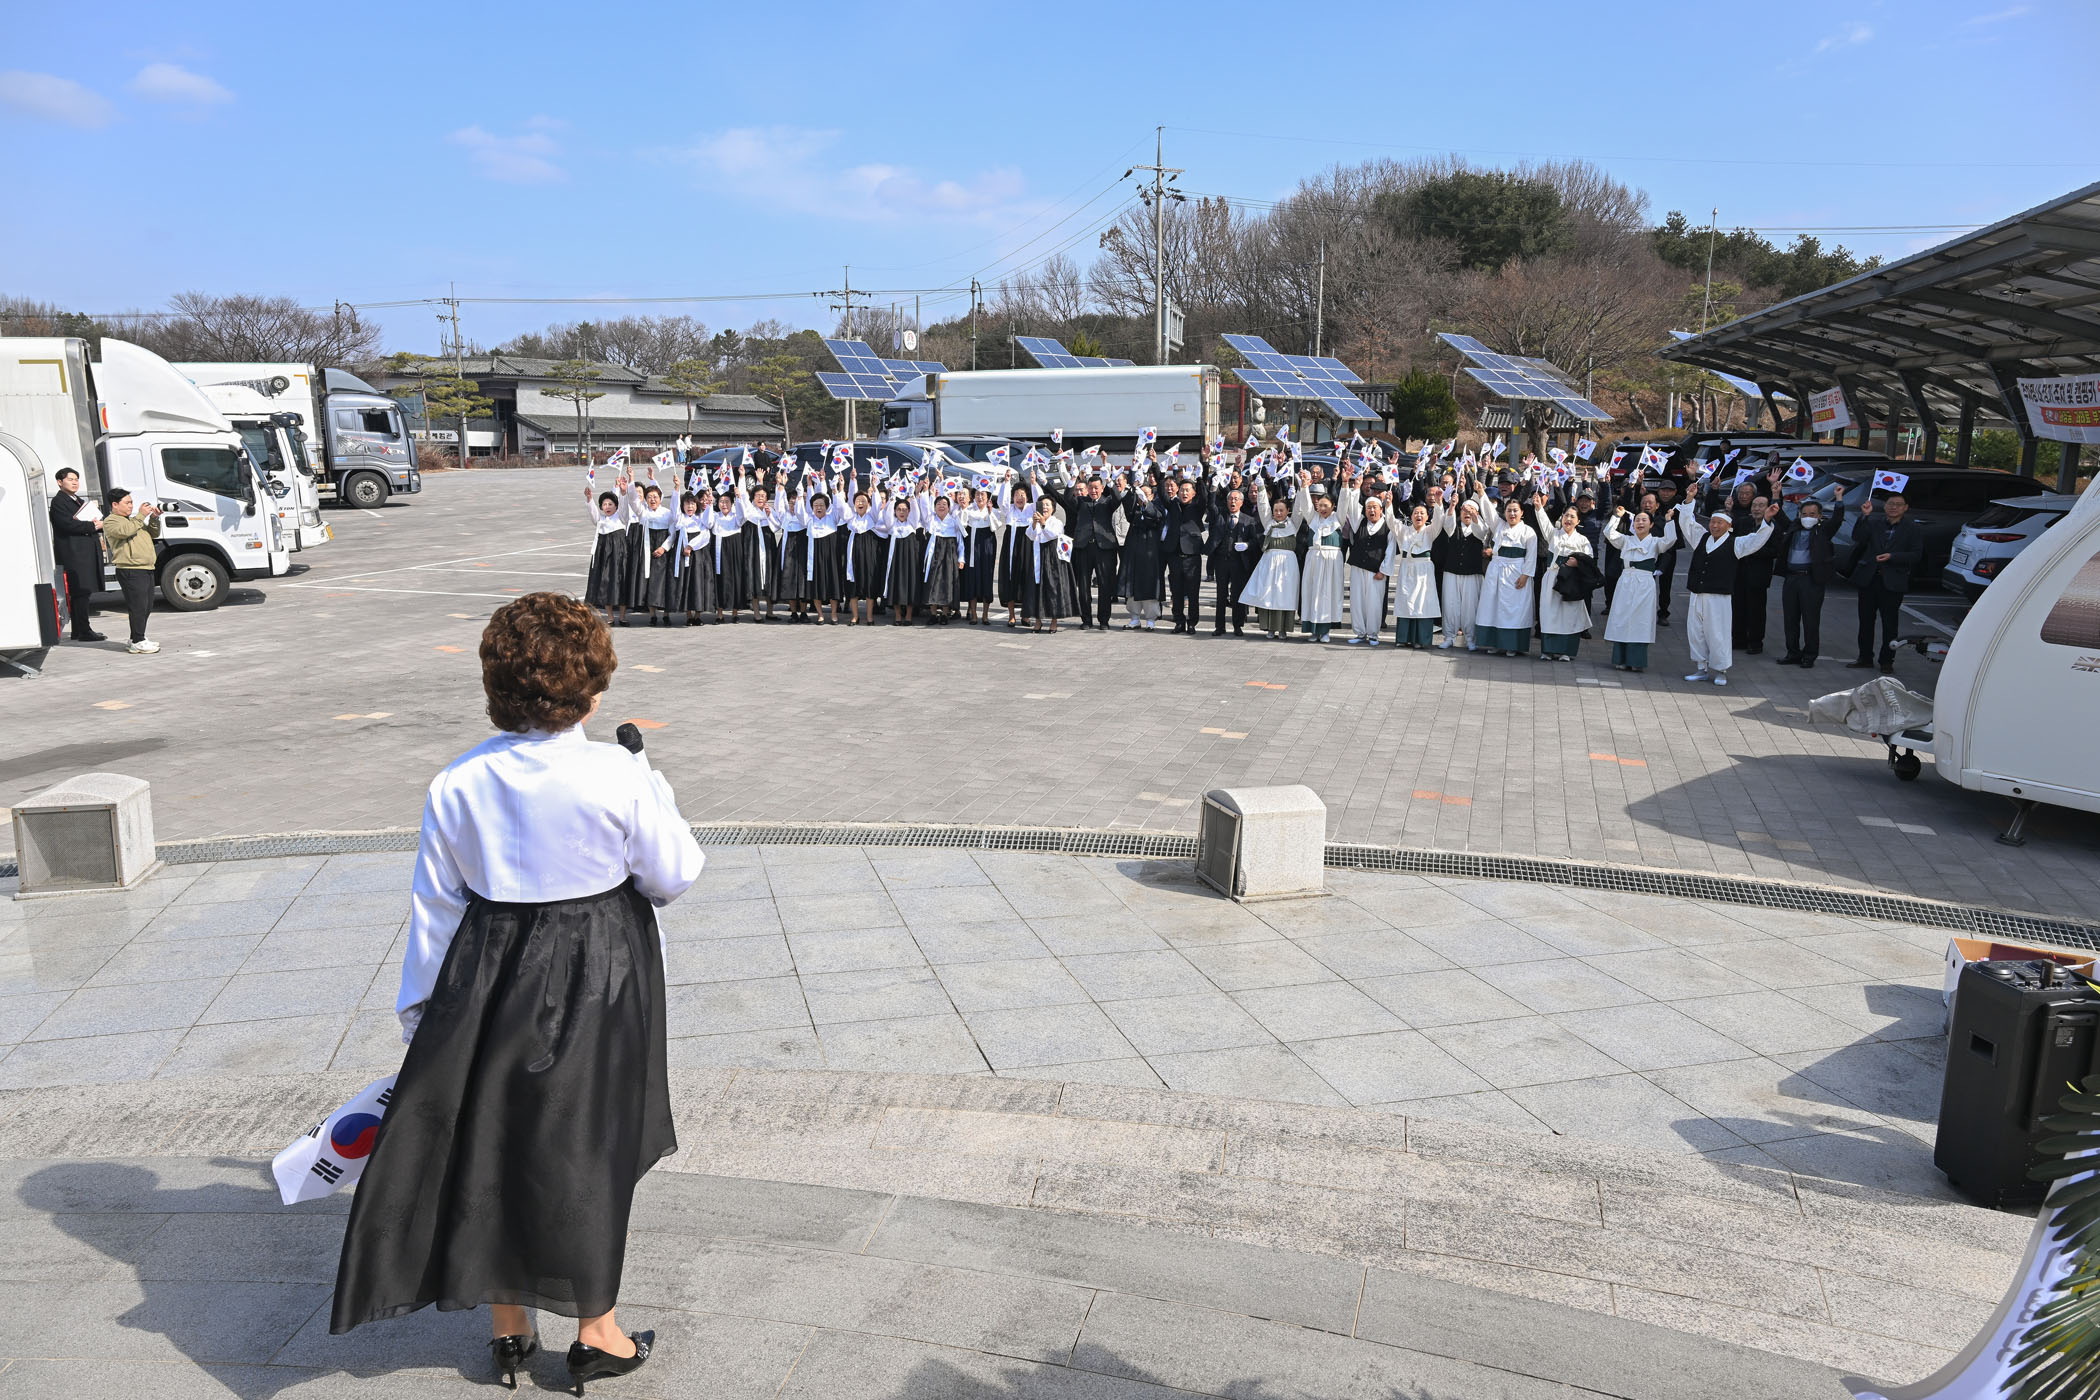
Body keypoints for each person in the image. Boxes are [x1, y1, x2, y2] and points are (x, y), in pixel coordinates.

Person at [329, 592, 703, 1393]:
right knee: (587, 1141)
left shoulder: (457, 780)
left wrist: (422, 1014)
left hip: (489, 962)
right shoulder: (617, 772)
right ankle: (596, 1331)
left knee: (494, 1134)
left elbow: (436, 903)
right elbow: (673, 874)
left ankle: (508, 1326)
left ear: (495, 687)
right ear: (591, 690)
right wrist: (655, 786)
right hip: (600, 965)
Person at [1675, 492, 1778, 686]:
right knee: (1696, 632)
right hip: (1697, 594)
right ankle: (1701, 668)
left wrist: (1766, 520)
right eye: (1712, 522)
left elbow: (1757, 540)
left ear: (1729, 526)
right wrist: (1689, 500)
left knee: (1717, 634)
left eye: (1719, 523)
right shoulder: (1701, 538)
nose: (1714, 526)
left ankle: (1721, 670)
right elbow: (1687, 523)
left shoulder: (1736, 544)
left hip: (1718, 597)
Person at [1846, 491, 1924, 675]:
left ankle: (1887, 660)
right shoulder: (1875, 523)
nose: (1893, 507)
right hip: (1869, 579)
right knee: (1865, 621)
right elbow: (1858, 537)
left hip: (1893, 581)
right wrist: (1864, 516)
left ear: (1905, 508)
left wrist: (1893, 556)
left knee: (1890, 624)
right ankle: (1865, 657)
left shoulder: (1912, 528)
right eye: (1890, 504)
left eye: (1898, 504)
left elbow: (1916, 555)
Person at [1773, 496, 1845, 668]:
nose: (1807, 517)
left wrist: (1839, 500)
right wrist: (1776, 496)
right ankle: (1792, 652)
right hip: (1792, 578)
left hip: (1811, 580)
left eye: (1812, 514)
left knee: (1810, 619)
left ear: (1819, 516)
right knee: (1790, 619)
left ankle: (1809, 655)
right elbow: (1779, 515)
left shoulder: (1824, 530)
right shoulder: (1794, 527)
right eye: (1804, 514)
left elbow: (1837, 520)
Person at [1602, 505, 1677, 672]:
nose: (1640, 523)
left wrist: (1669, 521)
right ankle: (1620, 658)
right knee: (1622, 617)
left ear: (1651, 524)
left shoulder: (1655, 542)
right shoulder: (1626, 540)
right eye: (1637, 520)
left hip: (1644, 584)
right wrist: (1617, 516)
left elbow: (1670, 540)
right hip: (1626, 581)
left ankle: (1636, 660)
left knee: (1640, 621)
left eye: (1644, 520)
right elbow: (1609, 533)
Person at [1047, 473, 1122, 629]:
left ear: (1102, 488)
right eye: (1091, 488)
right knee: (1083, 585)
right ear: (1087, 488)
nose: (1093, 491)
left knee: (1105, 585)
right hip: (1083, 547)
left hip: (1104, 549)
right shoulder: (1081, 502)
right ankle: (1086, 619)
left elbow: (1117, 498)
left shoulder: (1108, 502)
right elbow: (1068, 498)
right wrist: (1072, 480)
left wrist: (1110, 480)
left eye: (1096, 488)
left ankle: (1104, 620)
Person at [1529, 497, 1596, 662]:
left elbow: (1589, 560)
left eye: (1573, 516)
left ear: (1578, 521)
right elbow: (1544, 522)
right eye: (1566, 515)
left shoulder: (1582, 540)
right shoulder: (1554, 534)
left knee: (1569, 615)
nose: (1568, 519)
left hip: (1572, 581)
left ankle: (1566, 651)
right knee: (1549, 613)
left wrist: (1577, 563)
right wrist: (1538, 508)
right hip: (1553, 577)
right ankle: (1548, 650)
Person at [99, 488, 162, 655]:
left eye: (131, 502)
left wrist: (154, 518)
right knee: (138, 607)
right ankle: (137, 641)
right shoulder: (111, 521)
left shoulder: (134, 521)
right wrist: (141, 515)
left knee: (146, 606)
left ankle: (137, 637)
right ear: (115, 504)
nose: (131, 506)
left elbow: (154, 533)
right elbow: (125, 531)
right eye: (127, 503)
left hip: (146, 568)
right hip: (131, 570)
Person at [1474, 497, 1539, 656]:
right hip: (1496, 571)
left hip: (1516, 573)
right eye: (1509, 510)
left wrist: (1525, 575)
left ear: (1522, 512)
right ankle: (1493, 642)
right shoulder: (1499, 526)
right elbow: (1489, 513)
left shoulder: (1528, 532)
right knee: (1493, 608)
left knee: (1514, 610)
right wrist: (1481, 493)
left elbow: (1531, 557)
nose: (1512, 514)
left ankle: (1512, 645)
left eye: (1515, 510)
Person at [48, 466, 106, 642]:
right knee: (80, 591)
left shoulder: (78, 500)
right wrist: (92, 526)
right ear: (60, 482)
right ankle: (84, 631)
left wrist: (97, 523)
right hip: (74, 553)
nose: (74, 483)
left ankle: (78, 630)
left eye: (76, 479)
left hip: (83, 552)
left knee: (82, 592)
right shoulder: (59, 502)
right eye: (70, 479)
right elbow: (66, 524)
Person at [1240, 492, 1303, 640]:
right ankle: (1270, 628)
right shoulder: (1269, 523)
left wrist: (1302, 490)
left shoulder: (1293, 524)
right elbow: (1263, 507)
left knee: (1285, 595)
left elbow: (1300, 509)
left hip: (1287, 565)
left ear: (1288, 511)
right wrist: (1261, 488)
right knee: (1268, 594)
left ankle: (1283, 629)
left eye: (1282, 510)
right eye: (1276, 510)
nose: (1278, 513)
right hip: (1269, 563)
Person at [1435, 493, 1491, 650]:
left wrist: (1474, 516)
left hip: (1472, 573)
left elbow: (1481, 532)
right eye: (1465, 510)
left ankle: (1470, 638)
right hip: (1451, 572)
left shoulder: (1480, 528)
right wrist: (1452, 506)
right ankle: (1449, 636)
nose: (1467, 513)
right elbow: (1448, 523)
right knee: (1450, 605)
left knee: (1470, 607)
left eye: (1471, 510)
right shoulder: (1454, 527)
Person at [1295, 478, 1348, 642]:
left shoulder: (1337, 519)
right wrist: (1304, 487)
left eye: (1326, 505)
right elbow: (1305, 505)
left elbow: (1344, 503)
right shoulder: (1313, 519)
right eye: (1320, 505)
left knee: (1329, 594)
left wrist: (1345, 484)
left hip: (1332, 562)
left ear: (1333, 506)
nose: (1323, 509)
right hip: (1314, 560)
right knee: (1312, 593)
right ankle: (1313, 630)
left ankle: (1325, 631)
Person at [1207, 484, 1262, 637]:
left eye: (1236, 499)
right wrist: (1213, 488)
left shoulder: (1249, 520)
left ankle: (1238, 625)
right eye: (1230, 499)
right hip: (1222, 561)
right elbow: (1211, 506)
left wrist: (1247, 545)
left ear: (1241, 502)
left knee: (1237, 595)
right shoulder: (1220, 516)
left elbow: (1255, 540)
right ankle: (1219, 626)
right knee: (1221, 594)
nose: (1233, 502)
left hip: (1239, 562)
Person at [1384, 503, 1441, 648]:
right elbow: (1391, 521)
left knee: (1423, 604)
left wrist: (1439, 504)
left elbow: (1439, 520)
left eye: (1422, 513)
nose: (1419, 515)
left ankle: (1421, 640)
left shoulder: (1430, 531)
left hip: (1424, 571)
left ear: (1427, 517)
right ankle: (1404, 638)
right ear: (1411, 516)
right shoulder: (1404, 530)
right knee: (1406, 602)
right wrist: (1389, 505)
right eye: (1416, 513)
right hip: (1407, 568)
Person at [1341, 484, 1391, 646]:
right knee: (1357, 601)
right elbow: (1353, 507)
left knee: (1374, 603)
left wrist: (1383, 570)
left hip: (1376, 571)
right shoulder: (1360, 522)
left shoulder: (1388, 526)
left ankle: (1373, 634)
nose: (1372, 510)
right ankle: (1360, 632)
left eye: (1375, 507)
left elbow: (1390, 550)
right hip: (1357, 568)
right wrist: (1356, 488)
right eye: (1369, 507)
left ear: (1381, 509)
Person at [1118, 476, 1168, 630]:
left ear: (1152, 496)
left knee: (1150, 587)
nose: (1142, 497)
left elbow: (1156, 516)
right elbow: (1127, 504)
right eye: (1140, 494)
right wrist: (1132, 488)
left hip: (1150, 556)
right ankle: (1134, 618)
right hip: (1133, 555)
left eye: (1146, 494)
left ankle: (1151, 619)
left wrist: (1146, 503)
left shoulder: (1157, 509)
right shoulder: (1134, 511)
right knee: (1131, 587)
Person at [1161, 475, 1208, 633]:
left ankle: (1192, 622)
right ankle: (1179, 621)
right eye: (1182, 490)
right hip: (1174, 555)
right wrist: (1158, 470)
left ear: (1193, 493)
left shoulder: (1197, 507)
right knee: (1176, 592)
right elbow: (1161, 492)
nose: (1184, 493)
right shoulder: (1172, 504)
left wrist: (1200, 479)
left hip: (1192, 556)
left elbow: (1204, 497)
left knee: (1193, 593)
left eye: (1187, 490)